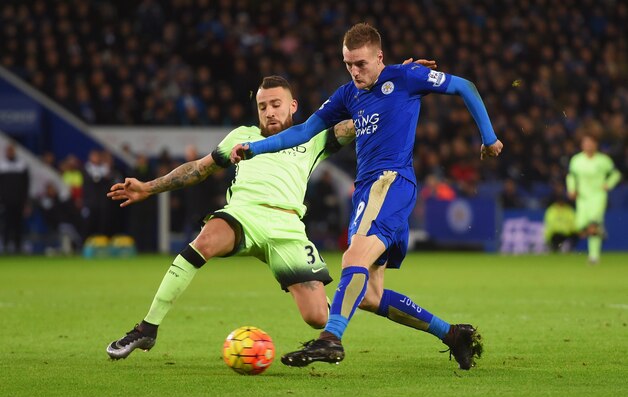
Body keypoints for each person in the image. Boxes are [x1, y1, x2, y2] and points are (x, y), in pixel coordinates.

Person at [231, 23, 503, 370]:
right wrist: (255, 148)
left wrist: (489, 137)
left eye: (360, 63)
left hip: (390, 183)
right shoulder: (347, 95)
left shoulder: (406, 77)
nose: (354, 71)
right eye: (348, 64)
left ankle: (331, 340)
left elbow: (464, 86)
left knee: (352, 259)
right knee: (370, 297)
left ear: (379, 57)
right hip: (368, 190)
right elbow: (302, 131)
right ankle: (452, 334)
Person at [105, 75, 359, 359]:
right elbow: (199, 169)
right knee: (204, 241)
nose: (269, 112)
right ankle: (147, 329)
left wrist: (392, 86)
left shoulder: (313, 137)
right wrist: (148, 188)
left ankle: (329, 308)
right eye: (263, 106)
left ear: (293, 106)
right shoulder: (242, 136)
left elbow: (357, 123)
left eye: (276, 104)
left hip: (287, 227)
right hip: (242, 214)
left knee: (316, 318)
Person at [566, 134, 621, 264]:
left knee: (592, 224)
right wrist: (571, 189)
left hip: (598, 196)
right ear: (582, 145)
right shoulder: (576, 160)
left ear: (596, 145)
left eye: (591, 143)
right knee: (580, 225)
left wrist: (608, 184)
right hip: (582, 197)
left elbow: (616, 174)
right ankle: (599, 230)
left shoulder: (603, 160)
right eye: (586, 143)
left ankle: (594, 257)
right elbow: (571, 176)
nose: (588, 145)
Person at [0, 144, 30, 254]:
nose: (10, 152)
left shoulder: (21, 165)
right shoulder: (1, 165)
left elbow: (26, 185)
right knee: (6, 224)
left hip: (19, 201)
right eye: (8, 150)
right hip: (5, 201)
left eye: (12, 150)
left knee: (18, 225)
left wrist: (26, 202)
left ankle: (18, 247)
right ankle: (5, 246)